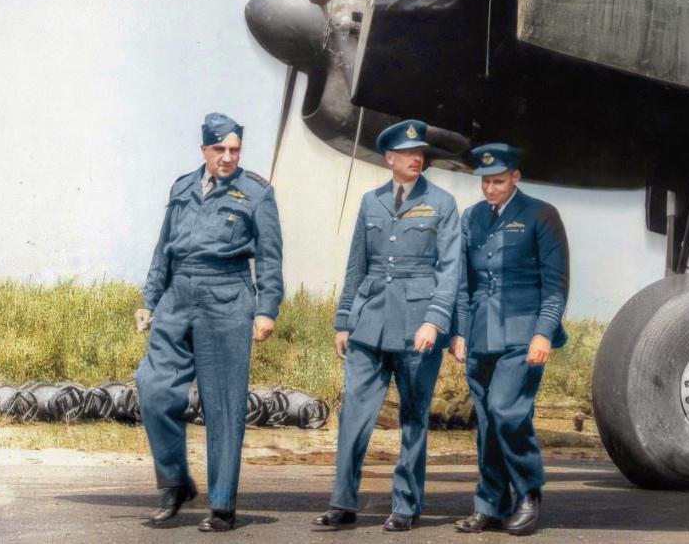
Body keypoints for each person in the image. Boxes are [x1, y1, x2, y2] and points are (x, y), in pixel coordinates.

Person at [134, 112, 283, 533]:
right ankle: (175, 483)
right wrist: (149, 301)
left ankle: (222, 505)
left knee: (223, 406)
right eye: (219, 149)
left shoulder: (256, 193)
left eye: (234, 150)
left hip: (227, 297)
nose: (228, 157)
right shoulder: (182, 187)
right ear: (204, 150)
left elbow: (270, 257)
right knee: (153, 388)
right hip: (177, 297)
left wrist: (267, 308)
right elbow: (163, 249)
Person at [314, 120, 462, 533]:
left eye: (420, 153)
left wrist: (435, 321)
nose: (417, 158)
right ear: (389, 158)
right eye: (408, 153)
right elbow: (356, 265)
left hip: (418, 326)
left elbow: (450, 270)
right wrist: (344, 320)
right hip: (369, 323)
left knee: (413, 419)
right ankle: (342, 502)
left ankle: (405, 506)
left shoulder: (443, 203)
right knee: (354, 415)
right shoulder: (371, 202)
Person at [451, 144, 569, 537]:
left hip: (523, 335)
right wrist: (460, 332)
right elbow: (464, 283)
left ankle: (529, 493)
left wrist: (543, 333)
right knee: (486, 423)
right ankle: (490, 505)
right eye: (485, 182)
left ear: (516, 177)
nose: (490, 189)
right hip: (480, 334)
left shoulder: (541, 214)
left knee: (506, 411)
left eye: (499, 181)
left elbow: (555, 285)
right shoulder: (472, 217)